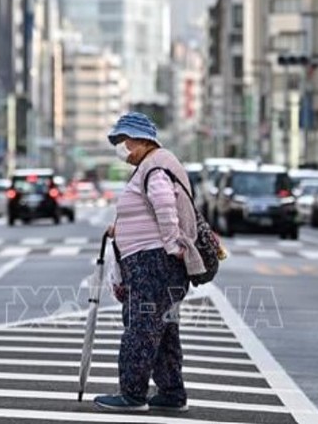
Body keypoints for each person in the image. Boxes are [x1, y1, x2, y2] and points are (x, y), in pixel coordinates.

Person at [94, 112, 205, 414]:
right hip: (154, 261)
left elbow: (165, 206)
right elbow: (148, 210)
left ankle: (132, 393)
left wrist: (171, 244)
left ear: (142, 140)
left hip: (153, 262)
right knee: (164, 327)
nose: (122, 147)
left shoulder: (155, 166)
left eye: (125, 140)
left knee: (141, 327)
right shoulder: (154, 164)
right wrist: (122, 227)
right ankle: (171, 392)